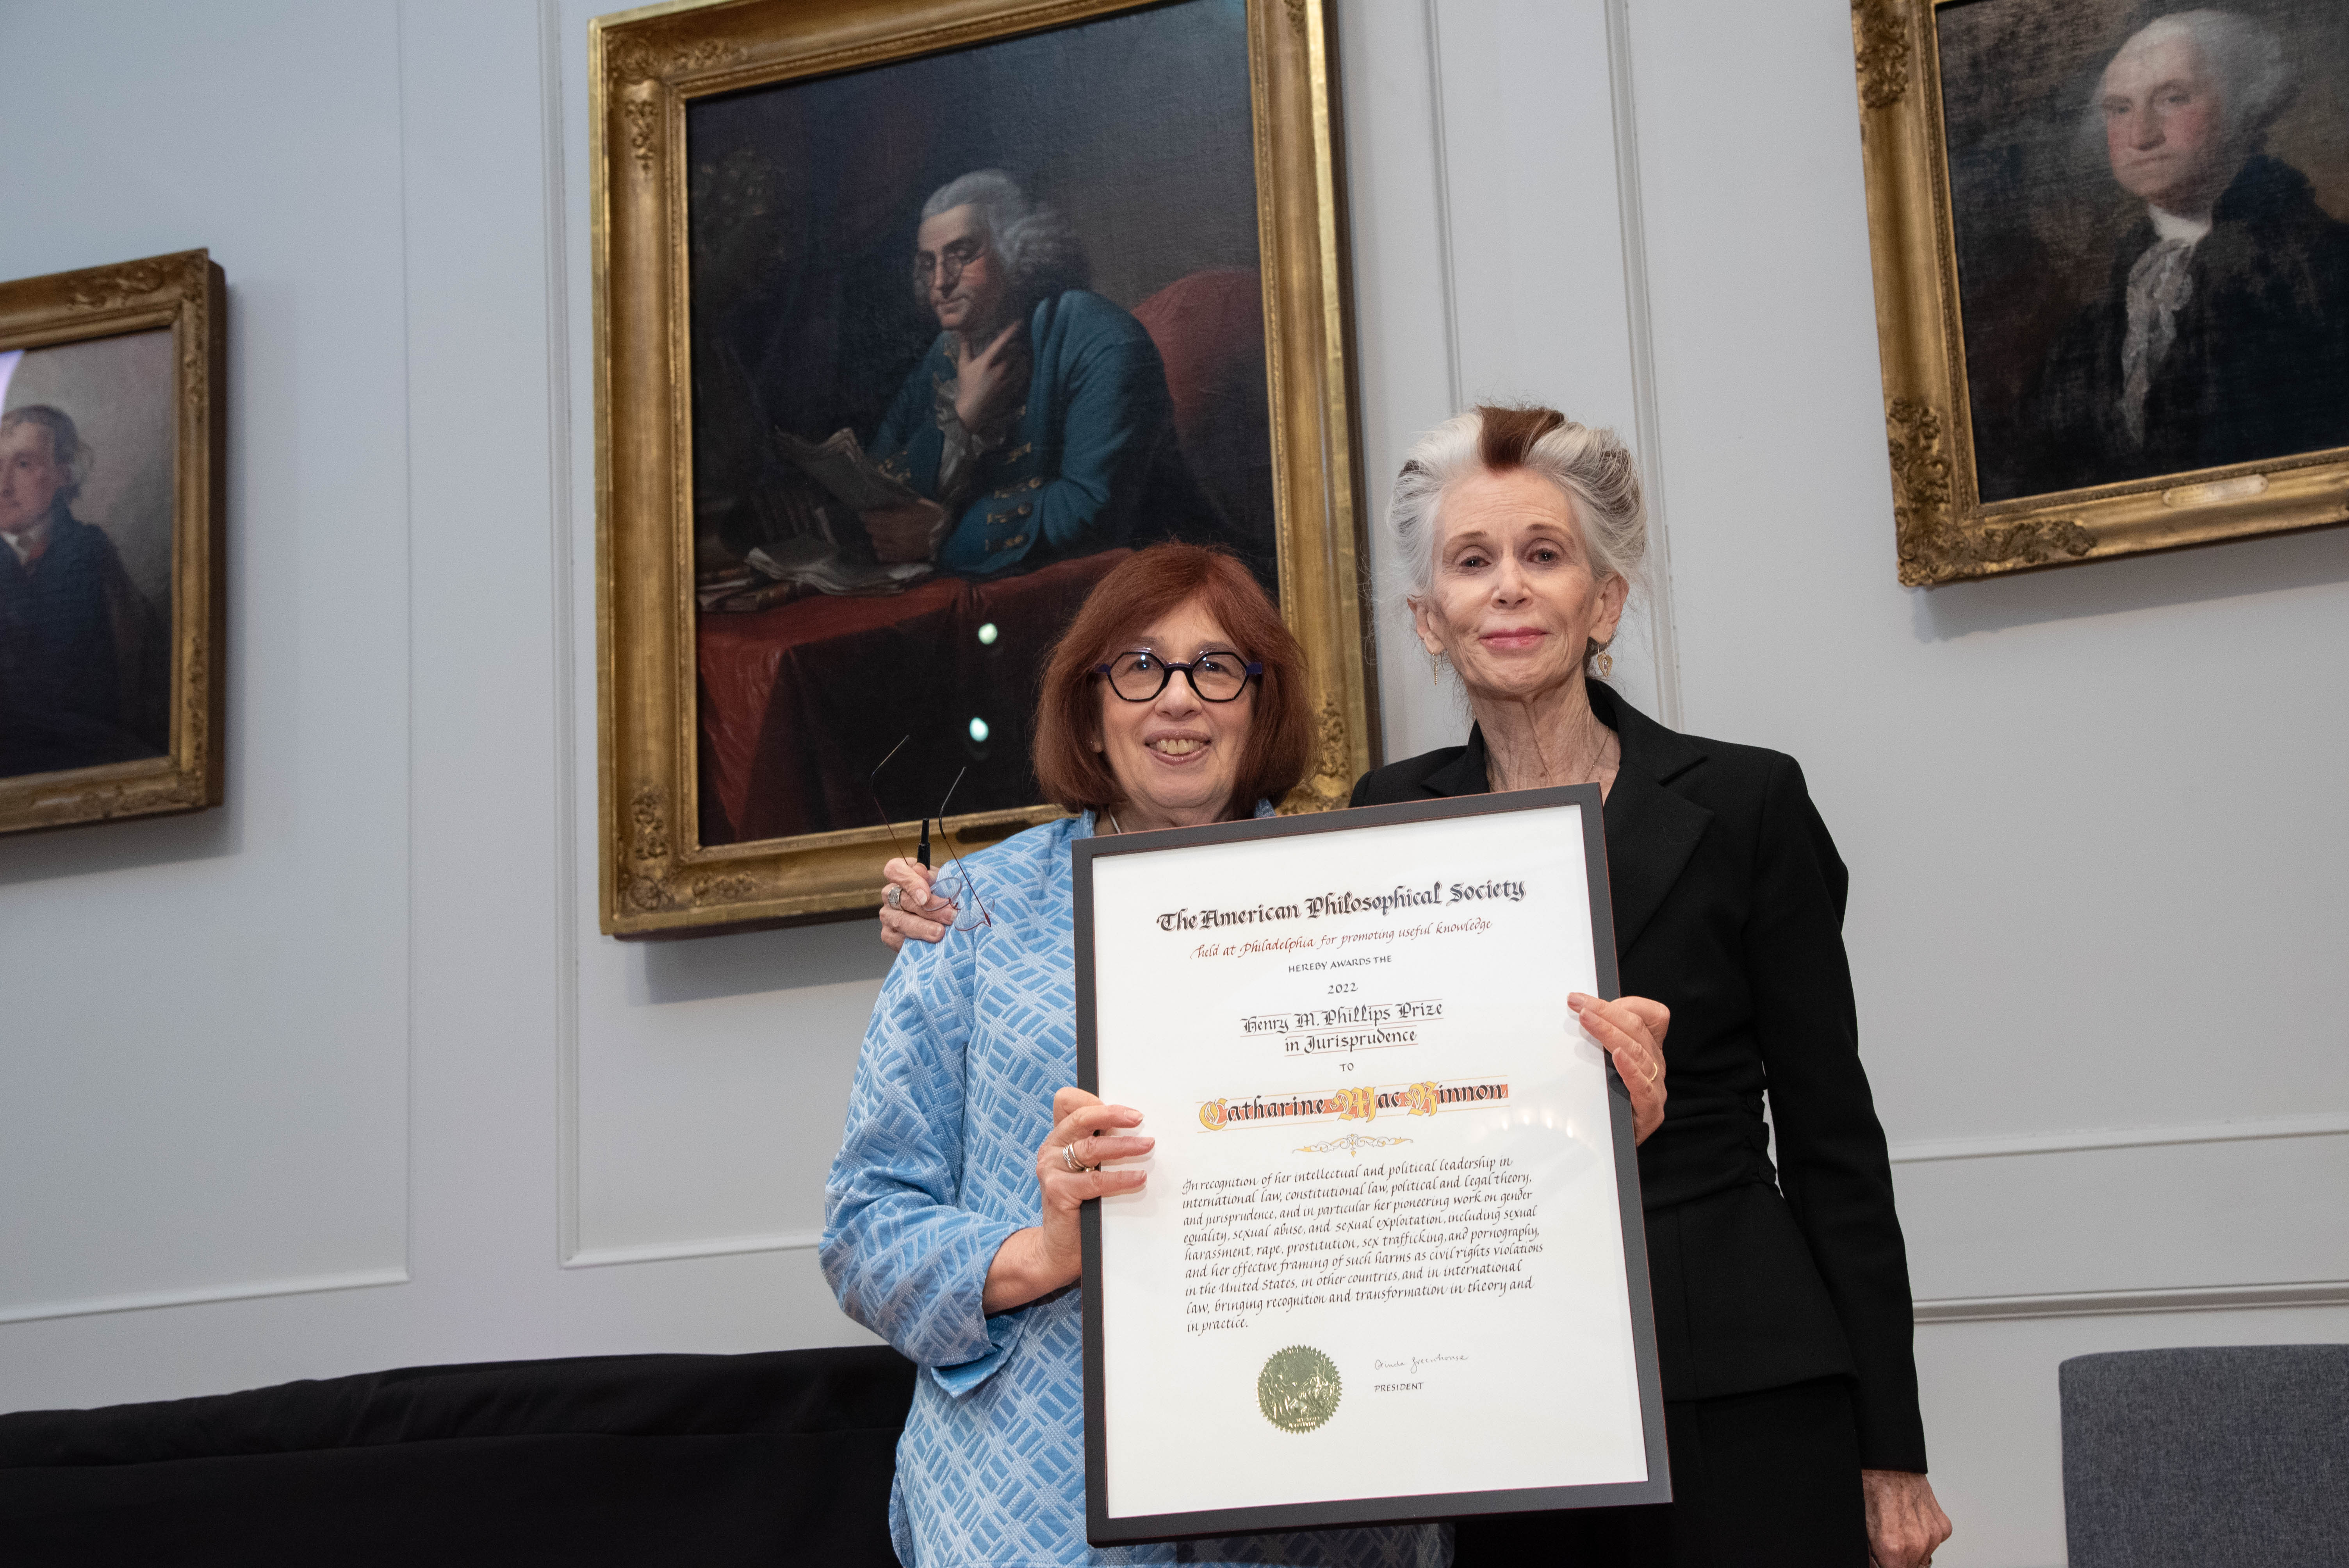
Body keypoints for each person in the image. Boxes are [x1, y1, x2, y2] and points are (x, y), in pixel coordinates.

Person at [884, 410, 1954, 1568]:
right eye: (1470, 562)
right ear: (1427, 620)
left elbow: (1836, 1147)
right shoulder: (1383, 820)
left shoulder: (1746, 803)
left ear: (1602, 602)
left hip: (1737, 1379)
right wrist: (949, 912)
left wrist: (1891, 1452)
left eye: (1542, 555)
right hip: (1491, 1399)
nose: (1507, 589)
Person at [827, 542, 1670, 1568]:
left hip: (1328, 1508)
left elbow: (1467, 1156)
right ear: (1090, 705)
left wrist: (1594, 1104)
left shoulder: (1380, 908)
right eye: (1138, 668)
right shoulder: (967, 921)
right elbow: (866, 1230)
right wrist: (1041, 1253)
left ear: (1259, 705)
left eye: (1216, 668)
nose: (1176, 699)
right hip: (1035, 1510)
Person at [2005, 9, 2349, 498]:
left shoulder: (2328, 272)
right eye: (2119, 109)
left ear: (2244, 105)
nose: (2141, 136)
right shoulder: (2086, 334)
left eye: (2172, 98)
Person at [856, 169, 1217, 576]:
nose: (940, 281)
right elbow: (875, 482)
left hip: (1155, 590)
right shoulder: (943, 354)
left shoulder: (1099, 339)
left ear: (1016, 250)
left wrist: (942, 534)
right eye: (929, 263)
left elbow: (1088, 513)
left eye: (961, 255)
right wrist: (962, 419)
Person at [0, 404, 167, 777]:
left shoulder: (92, 554)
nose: (3, 482)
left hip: (87, 756)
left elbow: (140, 674)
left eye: (24, 464)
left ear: (64, 473)